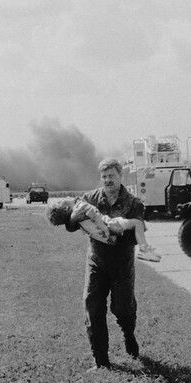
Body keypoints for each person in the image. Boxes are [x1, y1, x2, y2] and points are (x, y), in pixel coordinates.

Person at [69, 156, 149, 369]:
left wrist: (118, 230)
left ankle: (128, 334)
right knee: (92, 307)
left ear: (120, 176)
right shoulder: (89, 198)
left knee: (122, 308)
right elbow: (71, 225)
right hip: (96, 261)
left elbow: (138, 236)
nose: (107, 180)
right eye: (104, 176)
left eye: (111, 176)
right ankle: (101, 362)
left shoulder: (134, 204)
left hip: (122, 264)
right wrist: (73, 217)